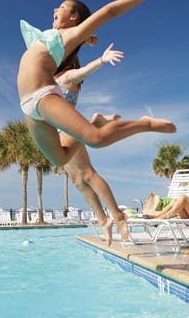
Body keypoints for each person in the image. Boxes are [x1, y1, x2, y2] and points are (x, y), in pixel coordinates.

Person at [17, 0, 176, 167]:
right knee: (60, 159)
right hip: (27, 108)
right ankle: (97, 123)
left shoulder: (68, 35)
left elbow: (109, 11)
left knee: (97, 139)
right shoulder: (52, 37)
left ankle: (145, 124)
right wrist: (86, 41)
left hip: (42, 96)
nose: (55, 10)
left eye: (61, 7)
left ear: (74, 17)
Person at [55, 42, 128, 245]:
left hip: (68, 128)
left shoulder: (67, 77)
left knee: (88, 173)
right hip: (58, 132)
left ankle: (117, 214)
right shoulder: (51, 79)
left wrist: (102, 60)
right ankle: (103, 220)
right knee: (78, 180)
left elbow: (83, 72)